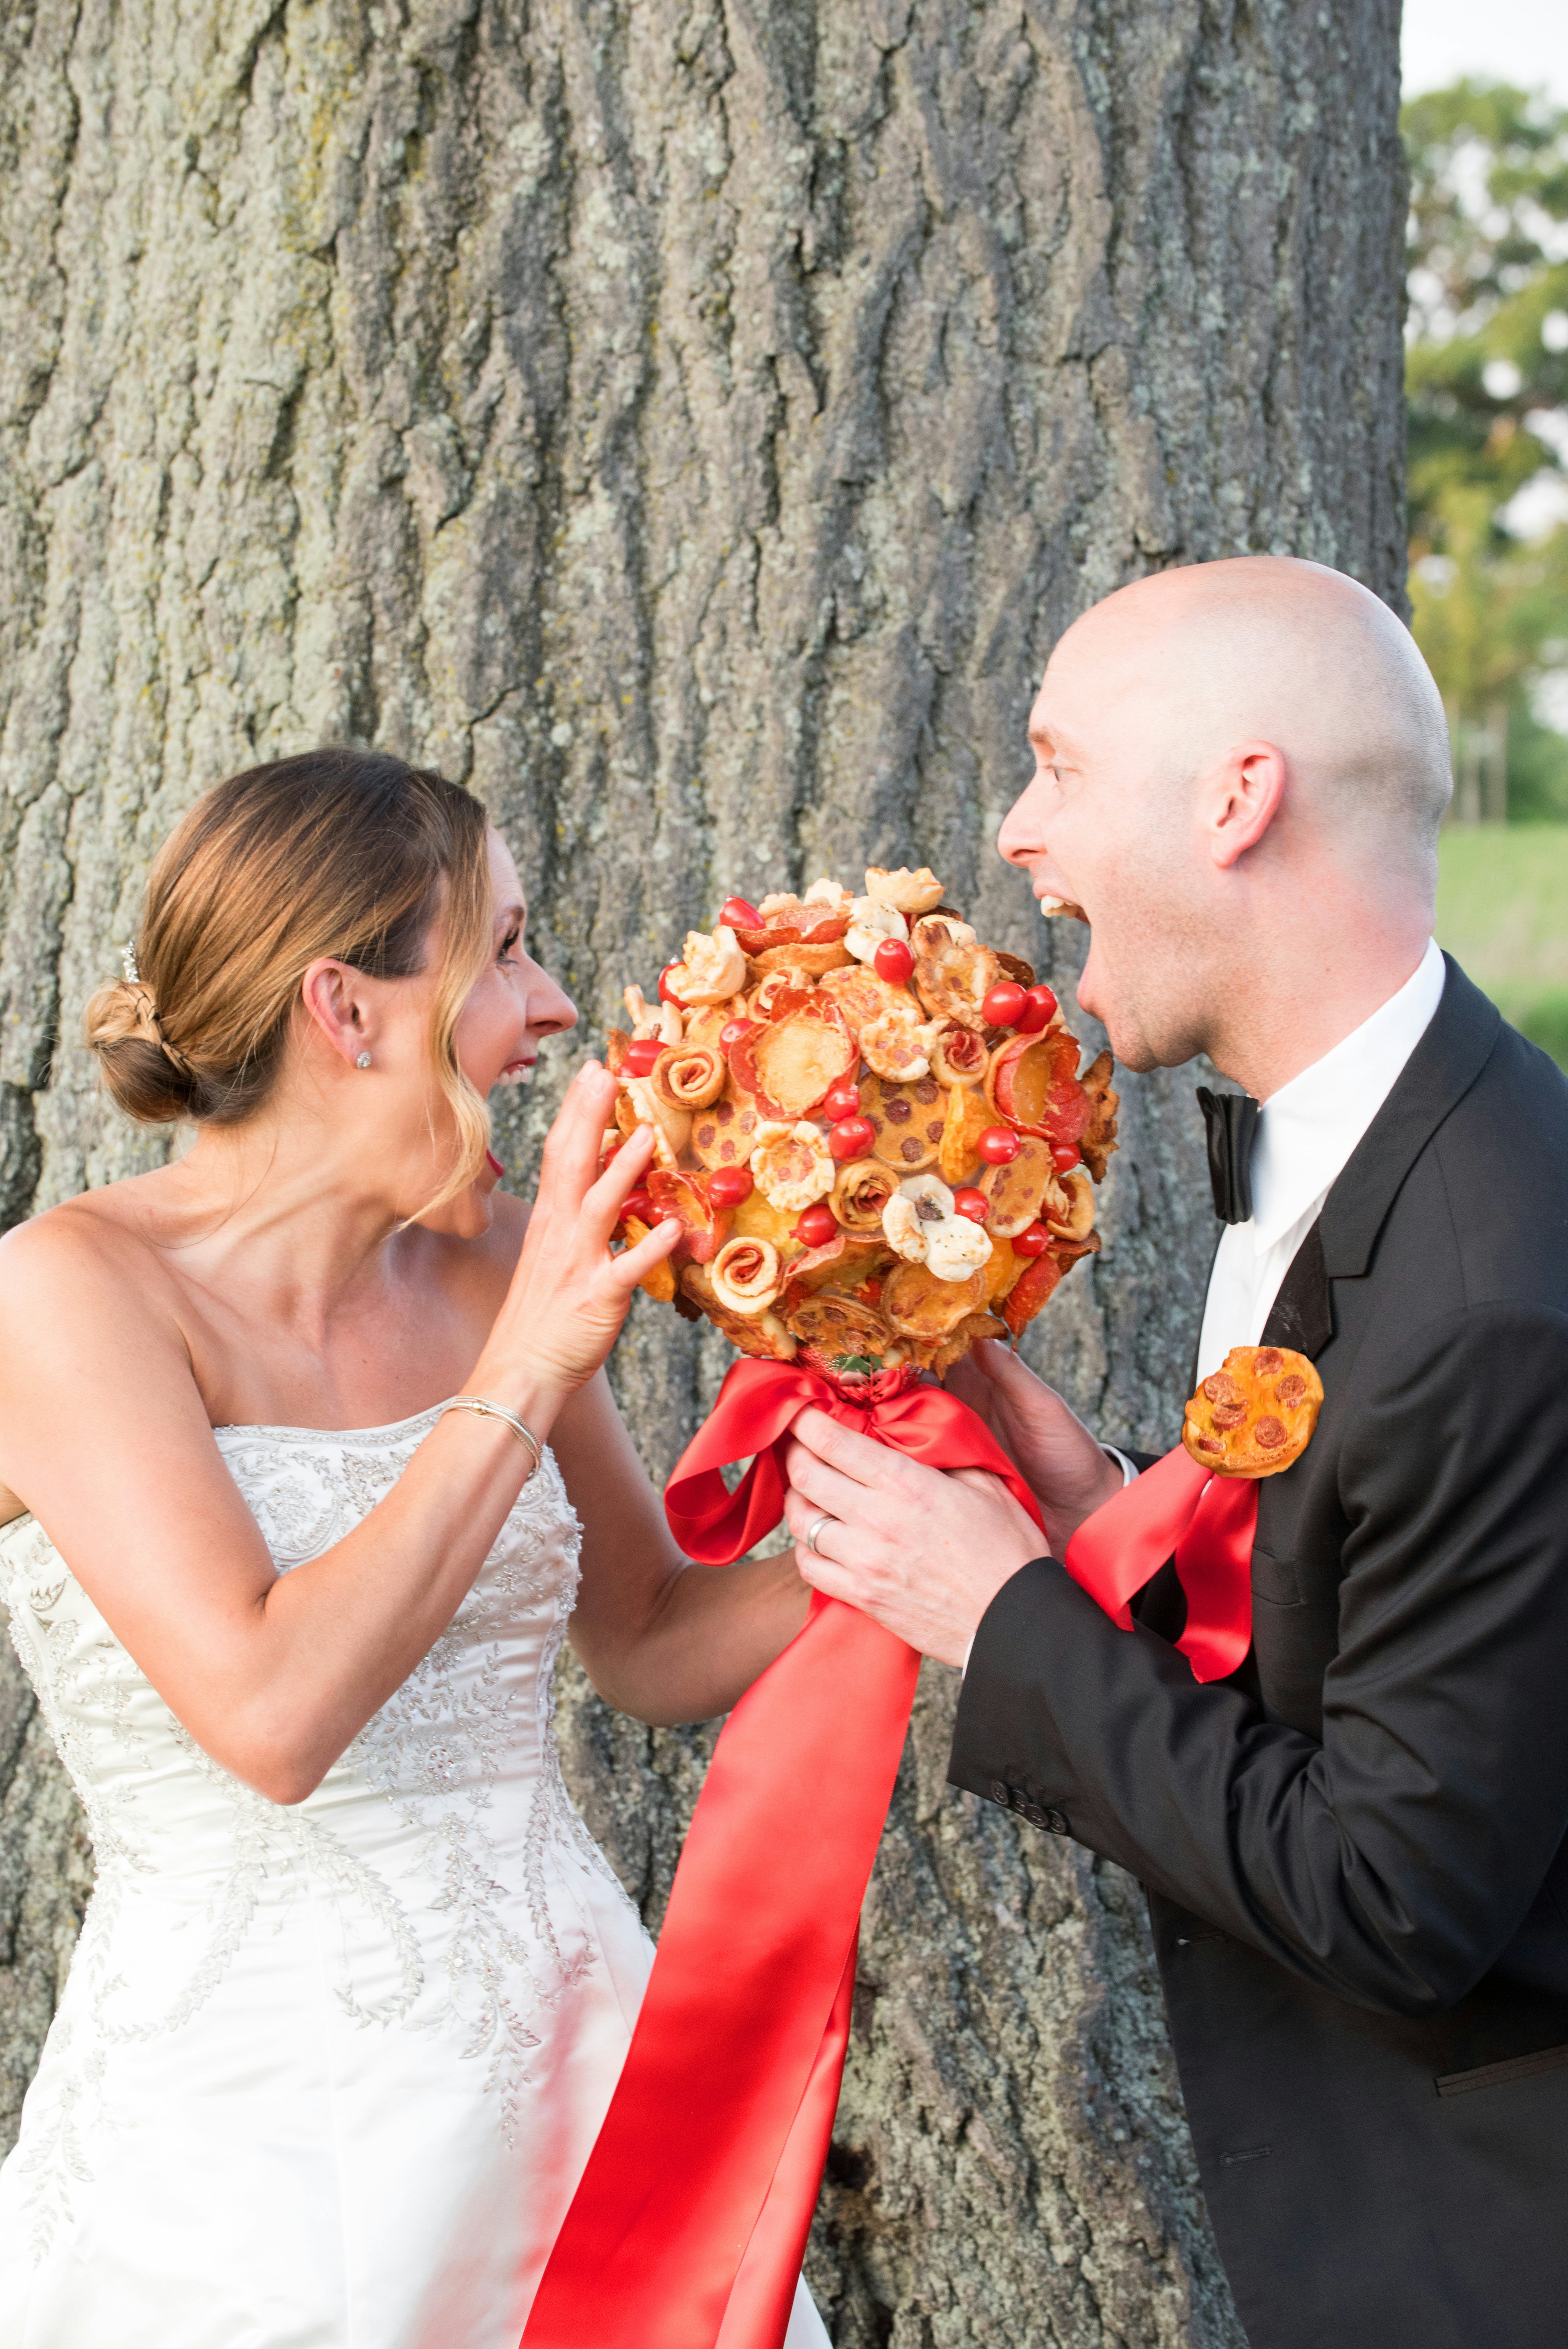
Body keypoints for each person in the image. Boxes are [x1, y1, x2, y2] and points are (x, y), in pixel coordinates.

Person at [781, 556, 1568, 2349]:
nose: (1010, 831)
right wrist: (1109, 1527)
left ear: (1235, 797)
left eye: (1057, 765)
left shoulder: (1484, 1290)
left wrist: (1003, 1620)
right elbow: (1367, 1633)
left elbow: (1393, 1899)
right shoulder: (1377, 1144)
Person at [0, 750, 829, 2349]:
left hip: (573, 2080)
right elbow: (269, 1712)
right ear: (347, 1010)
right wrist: (524, 1367)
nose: (558, 1005)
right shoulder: (65, 1295)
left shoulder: (487, 1263)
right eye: (506, 949)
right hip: (241, 2154)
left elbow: (648, 1634)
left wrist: (906, 1533)